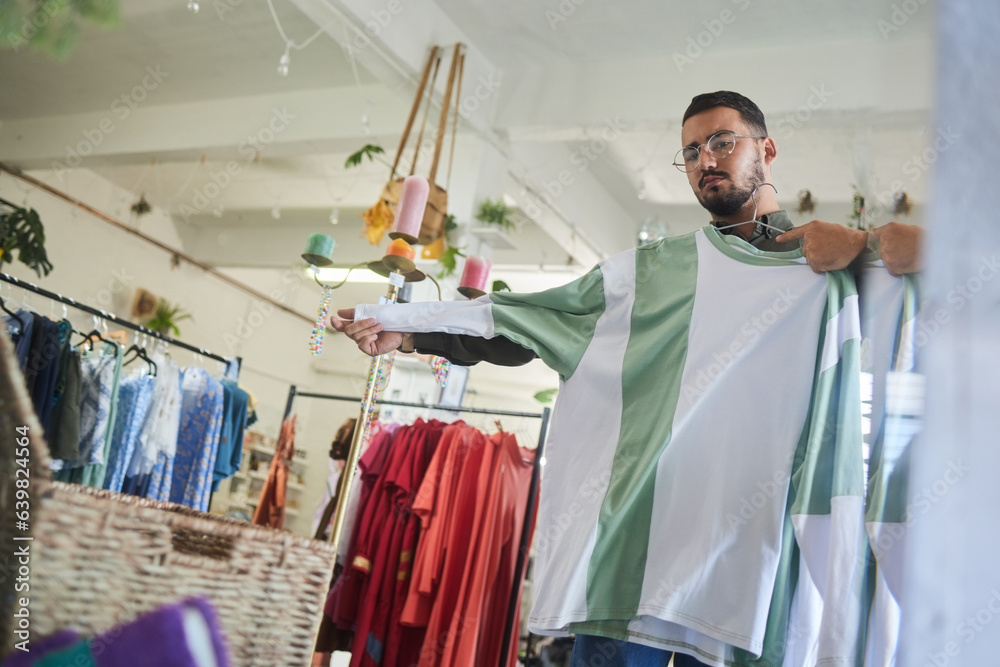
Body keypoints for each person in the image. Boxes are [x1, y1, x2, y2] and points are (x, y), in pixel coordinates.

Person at [331, 91, 922, 666]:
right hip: (634, 562)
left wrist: (870, 243)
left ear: (767, 149)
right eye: (690, 152)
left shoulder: (828, 267)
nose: (705, 162)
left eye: (721, 142)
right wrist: (409, 331)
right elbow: (539, 320)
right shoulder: (655, 273)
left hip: (748, 571)